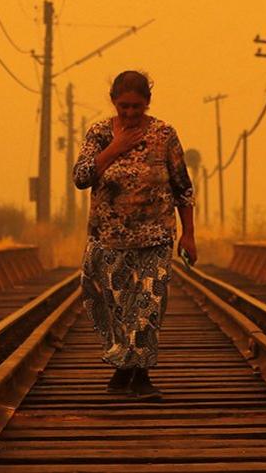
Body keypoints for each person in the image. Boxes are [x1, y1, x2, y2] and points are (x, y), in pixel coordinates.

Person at [73, 70, 197, 400]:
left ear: (148, 104)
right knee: (116, 308)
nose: (130, 113)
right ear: (113, 101)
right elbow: (81, 177)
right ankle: (123, 370)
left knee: (148, 306)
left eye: (137, 107)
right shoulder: (99, 134)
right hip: (108, 239)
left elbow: (183, 188)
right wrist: (115, 148)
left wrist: (189, 235)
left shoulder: (164, 135)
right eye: (124, 106)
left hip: (155, 237)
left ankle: (140, 375)